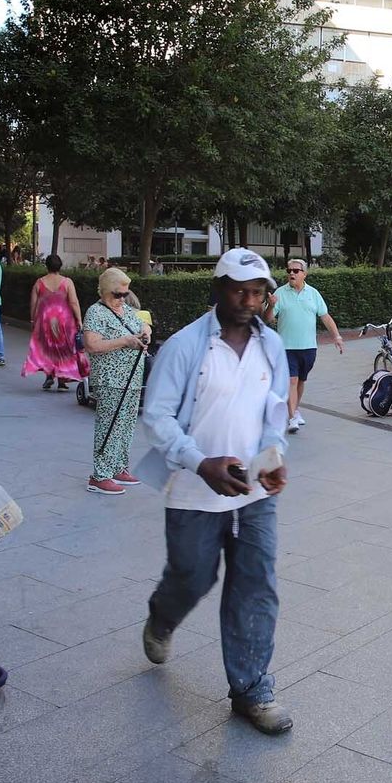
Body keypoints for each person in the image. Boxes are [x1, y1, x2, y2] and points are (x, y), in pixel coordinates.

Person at [137, 250, 292, 734]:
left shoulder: (272, 346)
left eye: (257, 292)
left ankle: (251, 689)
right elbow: (157, 416)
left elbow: (275, 413)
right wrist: (199, 462)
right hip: (193, 490)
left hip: (253, 494)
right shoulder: (185, 346)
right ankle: (162, 617)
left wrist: (273, 457)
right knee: (192, 576)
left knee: (256, 585)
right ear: (218, 288)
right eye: (239, 291)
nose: (249, 301)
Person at [82, 266, 151, 495]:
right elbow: (92, 345)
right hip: (110, 380)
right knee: (109, 426)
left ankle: (119, 467)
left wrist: (146, 332)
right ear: (105, 291)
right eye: (118, 294)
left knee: (126, 425)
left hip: (131, 379)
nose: (122, 298)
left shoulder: (125, 309)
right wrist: (124, 341)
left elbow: (142, 323)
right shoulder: (96, 312)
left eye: (125, 294)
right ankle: (99, 476)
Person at [268, 256, 343, 434]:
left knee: (301, 380)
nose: (291, 274)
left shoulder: (313, 294)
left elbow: (325, 316)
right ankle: (292, 417)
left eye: (296, 271)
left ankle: (295, 409)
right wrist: (270, 306)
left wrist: (337, 336)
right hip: (286, 347)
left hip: (308, 347)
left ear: (304, 274)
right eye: (289, 271)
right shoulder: (280, 293)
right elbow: (268, 319)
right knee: (291, 380)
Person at [22, 255, 87, 391]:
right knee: (63, 349)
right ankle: (62, 381)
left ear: (46, 266)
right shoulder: (67, 282)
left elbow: (33, 304)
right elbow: (73, 302)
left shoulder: (39, 283)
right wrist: (79, 319)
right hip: (65, 321)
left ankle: (49, 376)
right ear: (60, 266)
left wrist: (33, 320)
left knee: (48, 349)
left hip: (45, 321)